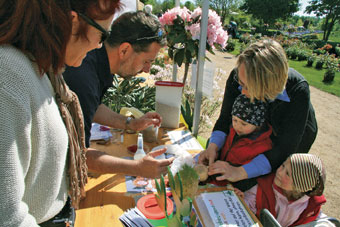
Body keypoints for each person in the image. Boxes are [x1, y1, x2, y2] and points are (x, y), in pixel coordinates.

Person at [0, 0, 121, 226]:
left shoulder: (39, 69)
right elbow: (7, 216)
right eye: (102, 35)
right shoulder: (9, 75)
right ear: (74, 23)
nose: (99, 46)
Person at [63, 11, 173, 178]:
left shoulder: (97, 61)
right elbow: (79, 156)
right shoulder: (84, 76)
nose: (147, 69)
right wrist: (137, 167)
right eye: (147, 61)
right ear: (124, 50)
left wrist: (131, 124)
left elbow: (92, 106)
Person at [199, 39, 318, 191]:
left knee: (270, 182)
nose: (241, 91)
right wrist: (213, 147)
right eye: (241, 83)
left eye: (248, 87)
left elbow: (282, 150)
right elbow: (225, 119)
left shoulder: (297, 92)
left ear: (267, 86)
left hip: (294, 135)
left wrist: (239, 172)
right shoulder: (239, 76)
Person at [236, 153, 326, 226]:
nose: (279, 172)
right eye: (283, 166)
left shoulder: (310, 204)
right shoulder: (264, 187)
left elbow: (320, 221)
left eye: (287, 173)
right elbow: (248, 202)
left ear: (300, 185)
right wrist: (241, 201)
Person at [208, 94, 272, 186]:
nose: (237, 126)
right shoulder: (234, 131)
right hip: (219, 179)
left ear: (258, 124)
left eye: (244, 124)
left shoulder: (263, 146)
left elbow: (253, 178)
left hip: (234, 188)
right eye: (235, 120)